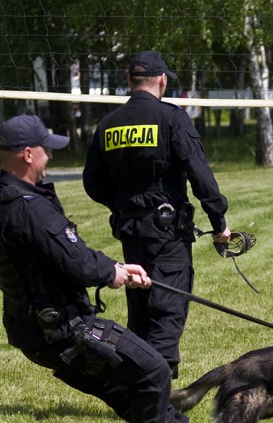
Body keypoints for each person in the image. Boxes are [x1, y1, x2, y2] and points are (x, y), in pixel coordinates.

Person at [0, 114, 242, 423]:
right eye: (44, 151)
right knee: (152, 370)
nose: (49, 157)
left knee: (124, 384)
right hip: (63, 328)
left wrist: (115, 265)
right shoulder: (29, 207)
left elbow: (58, 259)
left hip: (32, 329)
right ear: (27, 154)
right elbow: (77, 263)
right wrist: (113, 273)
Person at [82, 50, 232, 379]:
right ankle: (157, 392)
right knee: (166, 309)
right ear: (162, 80)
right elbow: (201, 175)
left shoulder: (108, 124)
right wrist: (219, 222)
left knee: (140, 311)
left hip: (131, 230)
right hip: (168, 233)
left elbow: (92, 182)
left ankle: (136, 382)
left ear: (129, 80)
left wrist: (123, 203)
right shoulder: (172, 118)